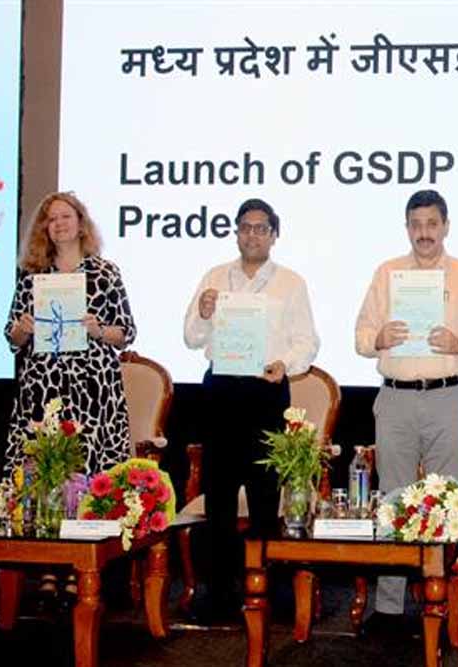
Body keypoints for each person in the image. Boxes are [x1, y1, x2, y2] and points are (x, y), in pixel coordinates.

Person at [355, 189, 458, 626]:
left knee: (446, 501)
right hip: (395, 397)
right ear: (406, 228)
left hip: (446, 397)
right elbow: (360, 336)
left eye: (432, 224)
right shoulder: (387, 273)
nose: (424, 233)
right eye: (416, 225)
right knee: (392, 499)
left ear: (446, 226)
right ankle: (389, 607)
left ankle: (443, 608)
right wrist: (378, 338)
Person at [183, 197, 320, 619]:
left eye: (261, 228)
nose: (252, 235)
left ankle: (266, 588)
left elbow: (307, 342)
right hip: (221, 391)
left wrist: (286, 365)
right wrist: (203, 313)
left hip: (266, 391)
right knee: (219, 496)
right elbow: (191, 337)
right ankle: (219, 593)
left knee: (265, 496)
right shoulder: (214, 277)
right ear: (236, 232)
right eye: (245, 227)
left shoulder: (291, 283)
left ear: (274, 235)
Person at [4, 191, 137, 603]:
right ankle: (49, 568)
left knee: (86, 476)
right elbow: (12, 336)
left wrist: (98, 330)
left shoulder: (105, 273)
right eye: (51, 218)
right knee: (46, 475)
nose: (59, 224)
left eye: (66, 216)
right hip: (43, 390)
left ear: (81, 223)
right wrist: (23, 328)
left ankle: (82, 568)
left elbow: (126, 332)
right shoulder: (32, 276)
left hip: (93, 392)